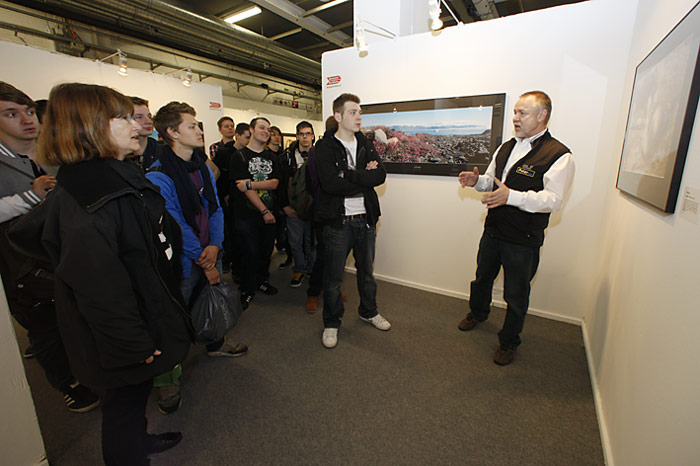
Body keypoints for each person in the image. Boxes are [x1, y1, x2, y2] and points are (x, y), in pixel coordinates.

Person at [10, 82, 192, 465]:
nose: (138, 126)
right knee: (121, 411)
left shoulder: (113, 177)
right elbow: (100, 288)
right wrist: (134, 345)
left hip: (141, 315)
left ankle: (139, 441)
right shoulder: (89, 198)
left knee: (131, 404)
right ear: (89, 126)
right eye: (123, 117)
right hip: (122, 336)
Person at [0, 81, 100, 413]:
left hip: (68, 251)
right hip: (25, 265)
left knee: (76, 319)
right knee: (46, 331)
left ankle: (86, 367)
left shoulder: (54, 155)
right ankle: (67, 383)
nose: (26, 120)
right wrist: (30, 197)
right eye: (11, 114)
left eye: (29, 111)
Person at [457, 90, 574, 366]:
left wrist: (513, 197)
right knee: (482, 278)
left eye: (522, 113)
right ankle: (478, 313)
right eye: (515, 112)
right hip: (494, 231)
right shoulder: (506, 146)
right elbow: (492, 181)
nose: (515, 118)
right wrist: (476, 182)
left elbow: (554, 201)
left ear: (542, 115)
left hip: (523, 240)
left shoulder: (559, 155)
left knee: (516, 295)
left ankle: (508, 341)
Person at [147, 101, 248, 413]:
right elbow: (173, 222)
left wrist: (215, 245)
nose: (200, 130)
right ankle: (167, 380)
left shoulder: (202, 167)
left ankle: (215, 343)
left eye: (199, 125)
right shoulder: (159, 174)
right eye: (192, 126)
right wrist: (203, 257)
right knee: (171, 318)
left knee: (210, 300)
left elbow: (214, 207)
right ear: (172, 132)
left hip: (208, 249)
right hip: (179, 258)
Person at [315, 93, 390, 349]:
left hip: (366, 220)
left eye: (359, 112)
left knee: (367, 273)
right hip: (339, 223)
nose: (358, 117)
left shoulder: (366, 143)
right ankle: (332, 322)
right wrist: (361, 176)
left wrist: (349, 175)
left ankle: (368, 311)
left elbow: (380, 175)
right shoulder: (324, 147)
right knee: (334, 277)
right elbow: (330, 184)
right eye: (352, 112)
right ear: (338, 116)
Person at [229, 117, 281, 307]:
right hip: (247, 215)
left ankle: (261, 281)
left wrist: (250, 183)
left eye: (268, 129)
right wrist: (264, 210)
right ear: (251, 130)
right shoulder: (239, 156)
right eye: (261, 127)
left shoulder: (272, 157)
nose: (266, 132)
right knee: (249, 252)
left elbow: (274, 183)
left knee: (266, 252)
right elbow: (242, 189)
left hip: (269, 214)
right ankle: (247, 288)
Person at [278, 121, 316, 288]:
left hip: (313, 208)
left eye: (308, 133)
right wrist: (285, 206)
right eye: (301, 134)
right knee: (294, 241)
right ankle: (299, 268)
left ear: (313, 136)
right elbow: (280, 184)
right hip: (293, 208)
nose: (305, 137)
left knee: (311, 241)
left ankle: (311, 269)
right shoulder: (286, 158)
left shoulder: (319, 156)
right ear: (297, 136)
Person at [129, 96, 161, 170]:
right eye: (139, 117)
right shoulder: (119, 155)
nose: (149, 121)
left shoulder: (163, 153)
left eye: (149, 116)